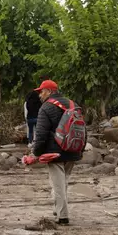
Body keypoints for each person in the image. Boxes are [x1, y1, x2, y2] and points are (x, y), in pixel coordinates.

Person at [32, 80, 84, 225]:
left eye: (41, 92)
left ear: (49, 91)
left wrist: (36, 153)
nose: (40, 95)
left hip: (54, 153)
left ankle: (62, 216)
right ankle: (58, 209)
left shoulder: (46, 107)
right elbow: (82, 129)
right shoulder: (74, 105)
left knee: (58, 185)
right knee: (63, 183)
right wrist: (80, 150)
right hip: (73, 150)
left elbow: (41, 134)